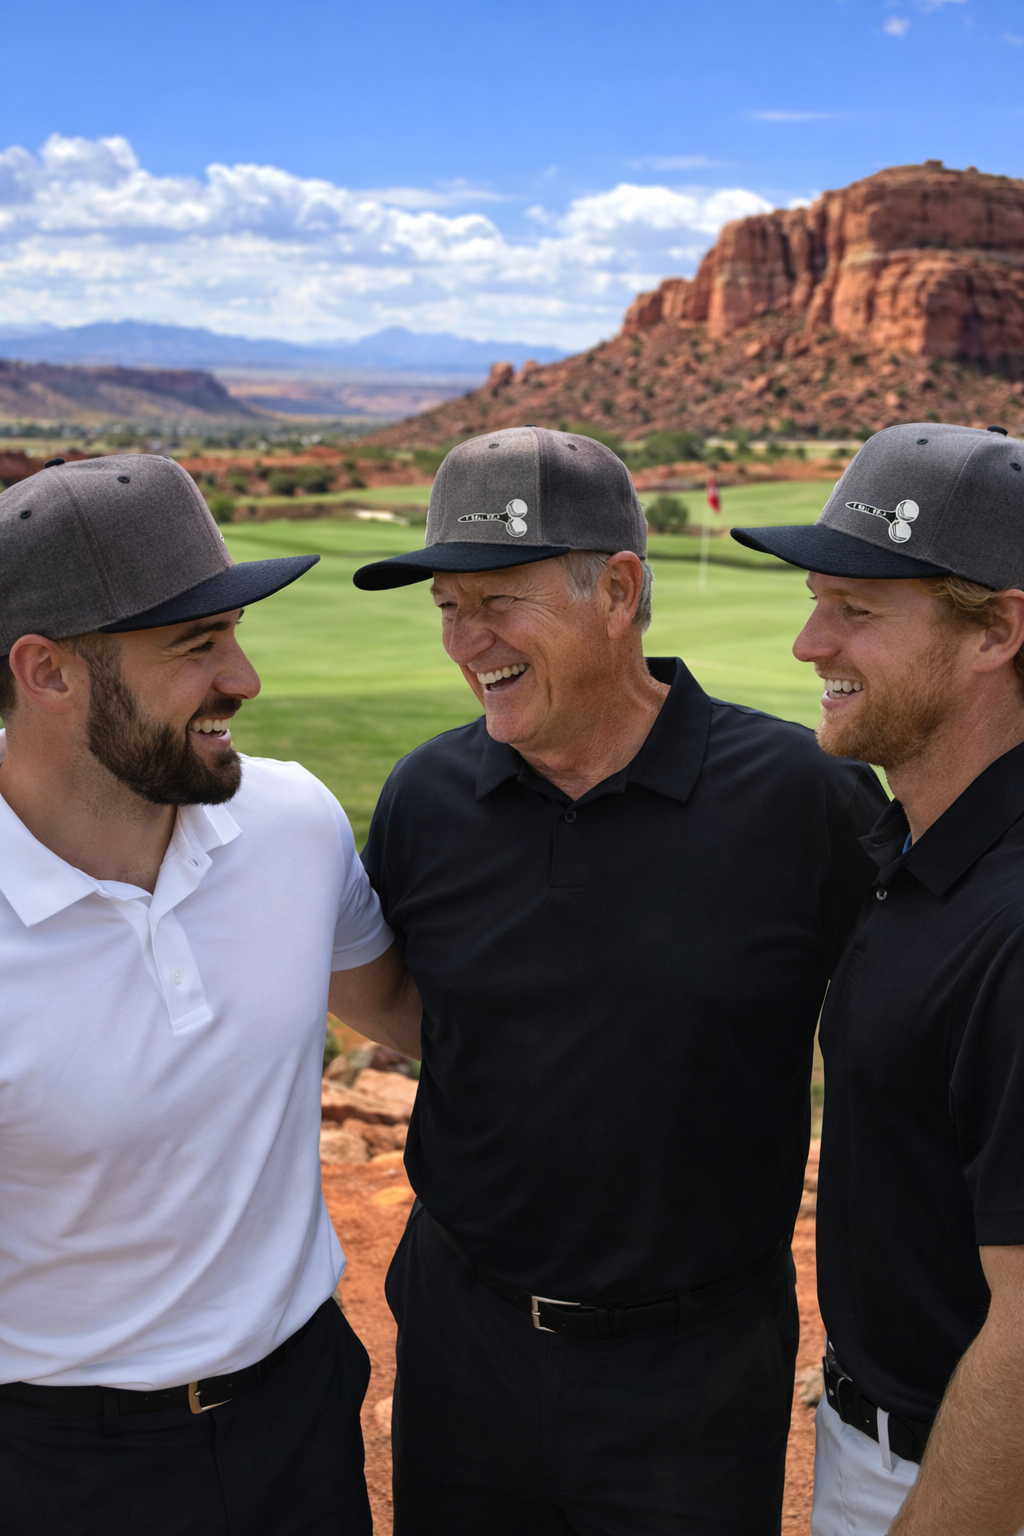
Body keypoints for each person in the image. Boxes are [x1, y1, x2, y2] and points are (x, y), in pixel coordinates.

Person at [351, 424, 888, 1536]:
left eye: (497, 600)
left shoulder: (799, 801)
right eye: (447, 606)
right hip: (464, 1345)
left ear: (619, 591)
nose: (467, 641)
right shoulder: (426, 798)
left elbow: (906, 1033)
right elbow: (417, 1011)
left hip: (695, 1375)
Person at [0, 454, 421, 1535]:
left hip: (304, 1412)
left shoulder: (291, 823)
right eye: (196, 646)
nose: (245, 678)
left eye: (234, 633)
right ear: (48, 672)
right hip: (55, 1465)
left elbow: (412, 1018)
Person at [732, 421, 1024, 1536]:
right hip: (883, 1441)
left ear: (996, 629)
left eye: (855, 610)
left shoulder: (1008, 920)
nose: (809, 644)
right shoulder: (919, 849)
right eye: (816, 600)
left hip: (953, 1482)